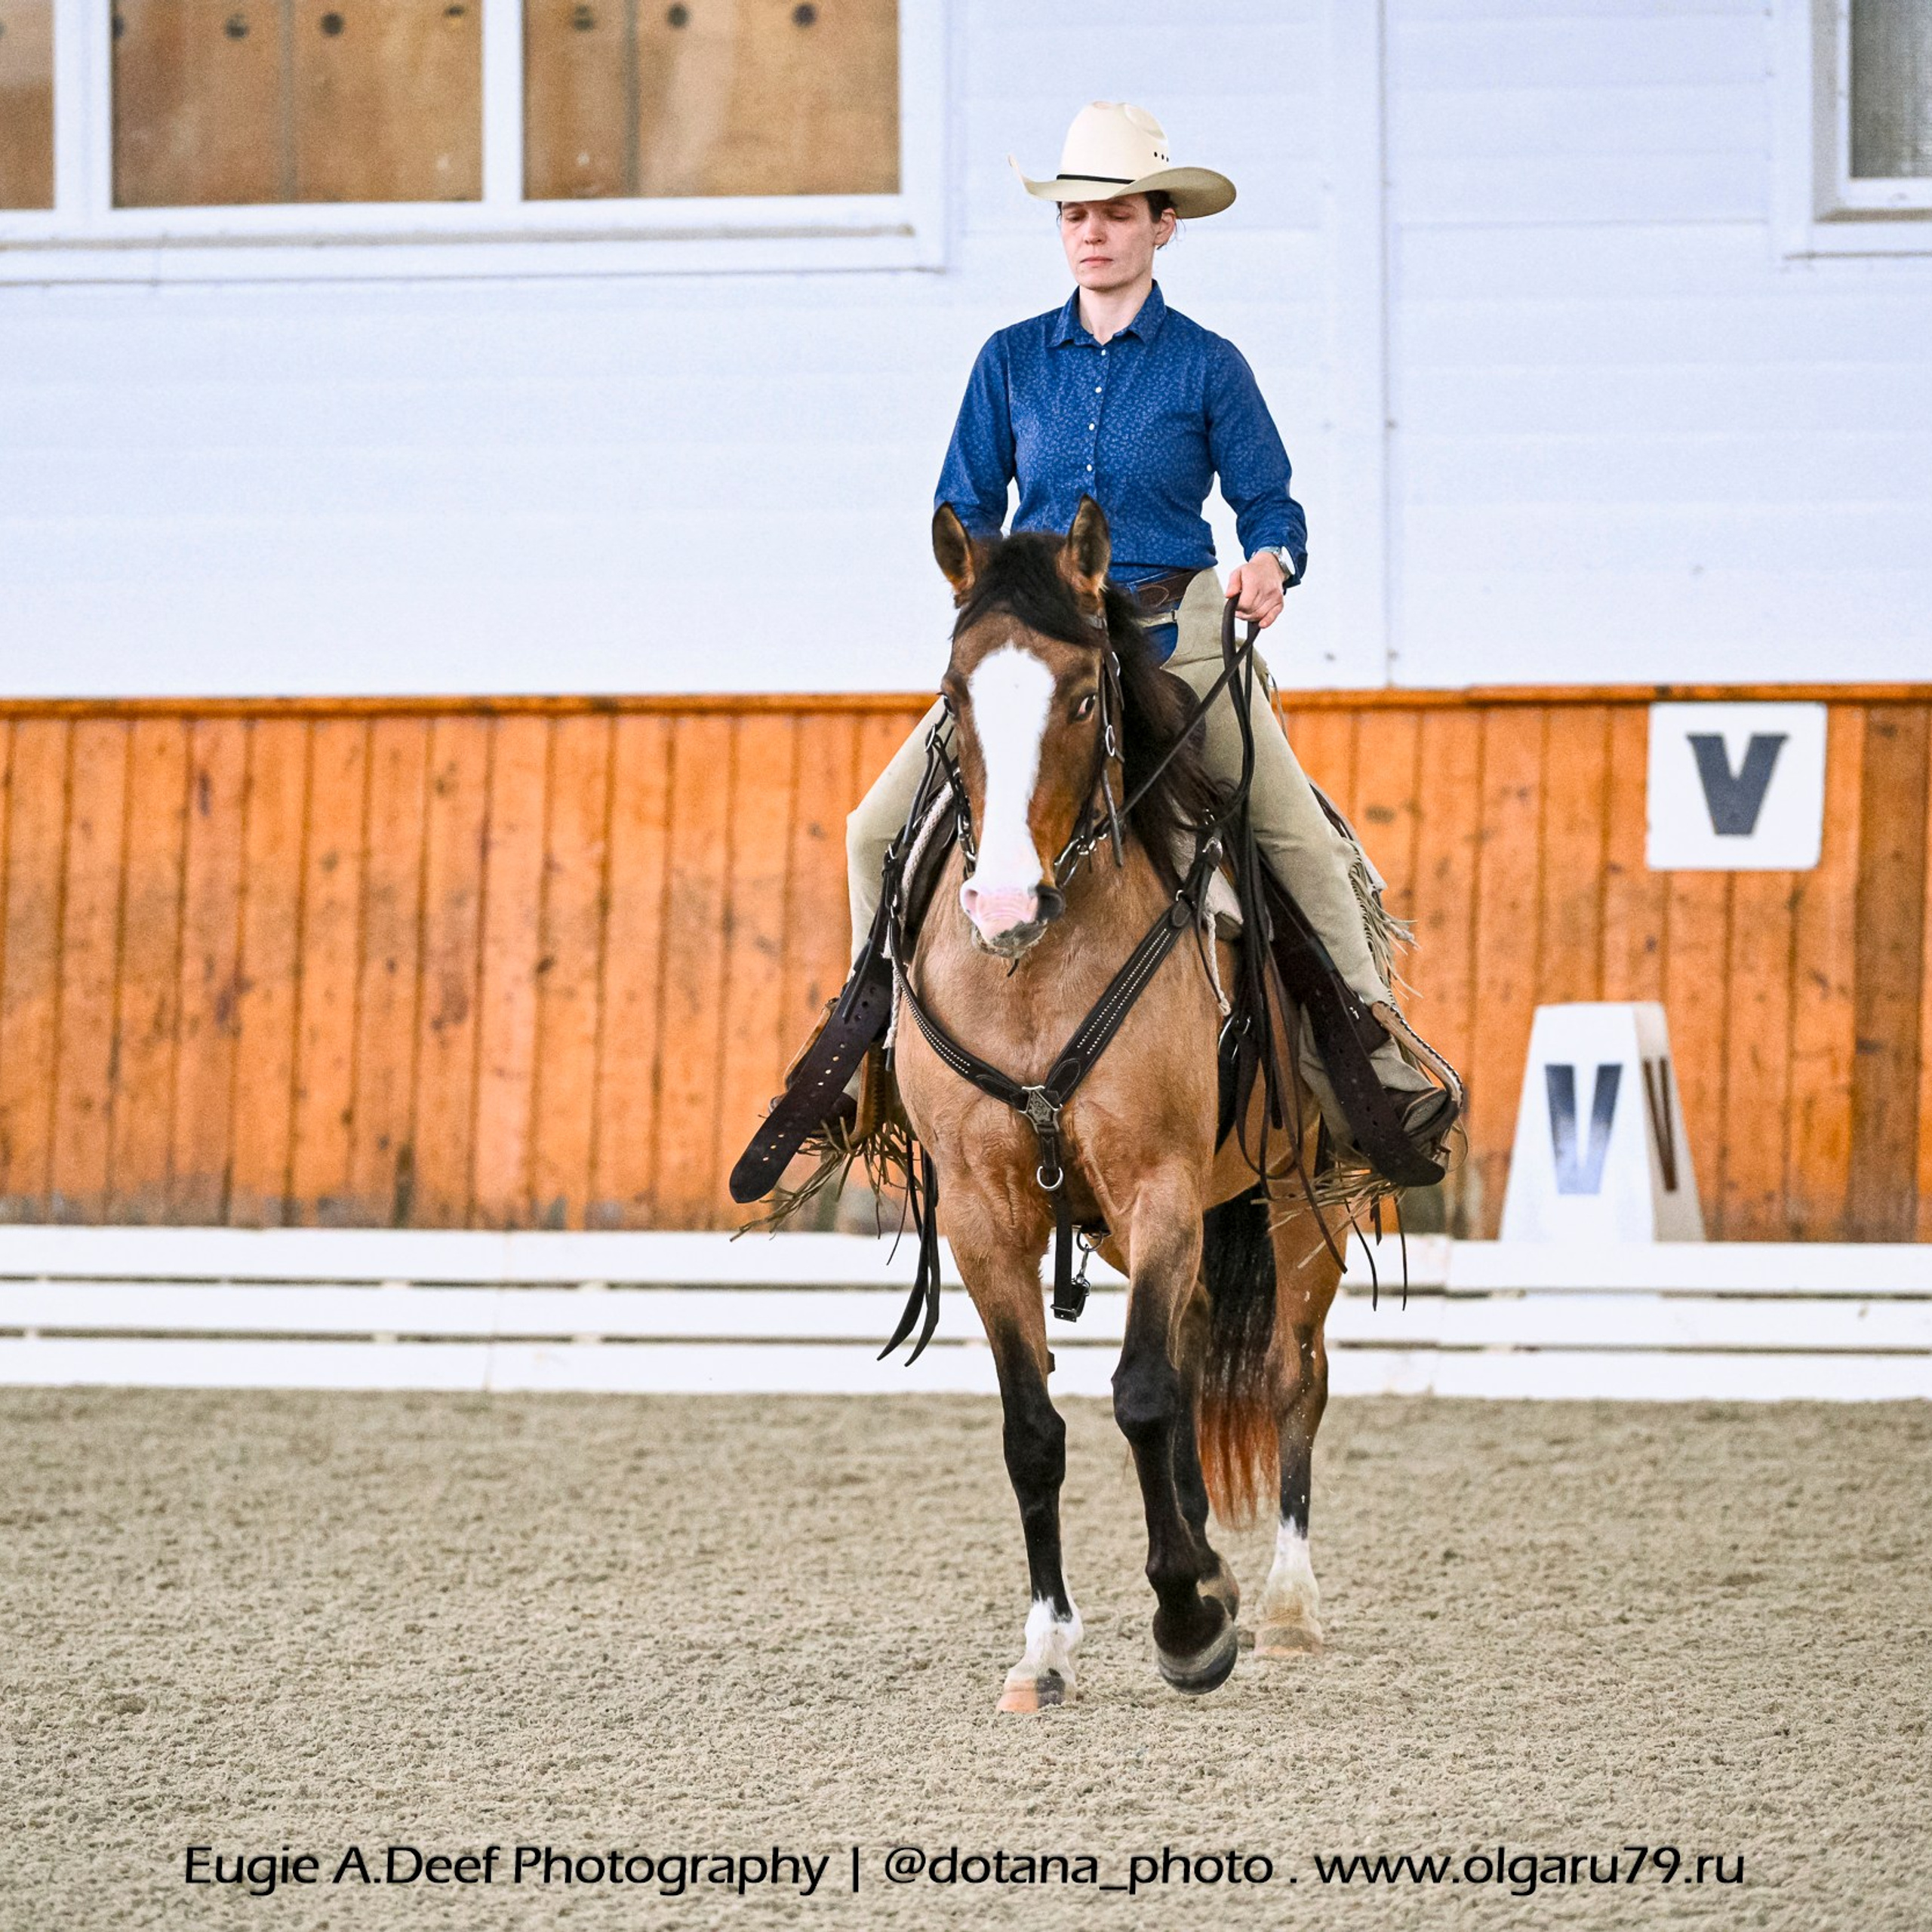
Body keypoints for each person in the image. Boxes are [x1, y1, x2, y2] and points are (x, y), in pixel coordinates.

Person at [845, 100, 1454, 1168]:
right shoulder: (1010, 361)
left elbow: (1271, 503)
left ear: (1162, 225)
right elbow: (965, 499)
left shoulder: (1210, 366)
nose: (1093, 232)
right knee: (871, 830)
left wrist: (1273, 561)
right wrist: (994, 596)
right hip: (1041, 649)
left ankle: (1373, 1059)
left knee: (1295, 837)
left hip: (1179, 633)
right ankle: (870, 1057)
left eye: (1116, 213)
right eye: (1076, 212)